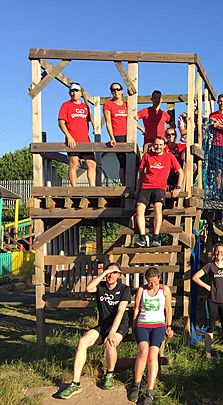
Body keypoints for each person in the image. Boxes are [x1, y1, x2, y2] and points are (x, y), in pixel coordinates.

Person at [59, 263, 130, 399]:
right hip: (103, 325)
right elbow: (89, 287)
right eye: (109, 273)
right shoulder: (101, 286)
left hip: (120, 325)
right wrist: (104, 273)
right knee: (82, 342)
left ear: (119, 275)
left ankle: (109, 374)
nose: (111, 275)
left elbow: (121, 312)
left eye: (114, 272)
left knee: (110, 343)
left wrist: (112, 332)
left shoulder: (124, 289)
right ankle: (75, 383)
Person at [128, 267, 174, 404]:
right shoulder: (142, 291)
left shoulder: (164, 290)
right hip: (143, 324)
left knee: (153, 354)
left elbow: (168, 309)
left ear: (159, 278)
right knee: (143, 351)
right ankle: (136, 384)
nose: (152, 285)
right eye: (149, 282)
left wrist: (169, 326)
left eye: (154, 282)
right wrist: (134, 328)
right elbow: (136, 309)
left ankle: (150, 390)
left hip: (158, 325)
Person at [192, 242, 223, 359]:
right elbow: (195, 277)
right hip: (212, 301)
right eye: (218, 251)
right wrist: (207, 287)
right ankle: (208, 353)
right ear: (214, 252)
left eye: (222, 251)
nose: (220, 253)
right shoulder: (210, 266)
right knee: (210, 326)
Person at [134, 137, 183, 248]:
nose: (158, 147)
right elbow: (140, 171)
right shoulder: (147, 156)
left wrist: (178, 187)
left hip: (159, 188)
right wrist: (137, 188)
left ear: (164, 146)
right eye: (156, 145)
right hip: (146, 186)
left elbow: (180, 172)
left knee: (157, 207)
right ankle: (142, 237)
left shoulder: (169, 156)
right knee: (139, 208)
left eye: (160, 145)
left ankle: (156, 237)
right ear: (153, 145)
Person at [58, 82, 97, 187]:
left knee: (91, 164)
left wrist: (95, 128)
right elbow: (61, 123)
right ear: (69, 93)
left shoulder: (85, 107)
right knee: (73, 164)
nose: (74, 93)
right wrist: (69, 136)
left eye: (76, 91)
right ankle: (74, 189)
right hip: (72, 140)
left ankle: (92, 188)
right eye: (72, 91)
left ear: (80, 93)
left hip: (85, 140)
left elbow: (90, 120)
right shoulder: (66, 105)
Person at [103, 82, 128, 185]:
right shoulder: (108, 104)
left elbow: (131, 119)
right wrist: (112, 137)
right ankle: (124, 185)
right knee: (123, 163)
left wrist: (140, 129)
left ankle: (133, 184)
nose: (116, 91)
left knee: (135, 161)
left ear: (122, 91)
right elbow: (108, 122)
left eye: (118, 89)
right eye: (113, 90)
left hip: (129, 135)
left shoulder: (127, 104)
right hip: (118, 135)